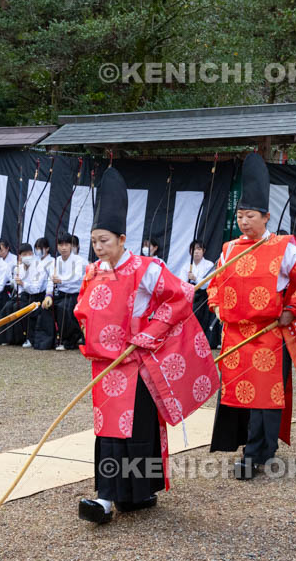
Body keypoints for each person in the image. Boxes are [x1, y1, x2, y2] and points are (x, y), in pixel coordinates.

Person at [73, 167, 218, 524]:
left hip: (135, 361)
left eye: (104, 240)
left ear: (122, 239)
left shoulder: (147, 268)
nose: (99, 247)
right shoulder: (92, 272)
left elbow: (178, 301)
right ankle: (105, 497)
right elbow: (82, 310)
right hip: (105, 365)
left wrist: (148, 334)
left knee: (137, 427)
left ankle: (138, 493)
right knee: (107, 431)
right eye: (94, 241)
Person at [207, 153, 296, 479]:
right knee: (238, 394)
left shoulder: (285, 249)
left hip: (268, 334)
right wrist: (217, 306)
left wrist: (291, 310)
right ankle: (245, 445)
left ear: (266, 216)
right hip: (236, 335)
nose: (243, 221)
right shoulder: (228, 249)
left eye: (250, 215)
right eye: (240, 215)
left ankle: (257, 454)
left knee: (265, 397)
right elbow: (214, 285)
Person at [3, 242, 54, 349]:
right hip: (26, 295)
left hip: (38, 296)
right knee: (10, 306)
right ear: (20, 257)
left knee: (23, 308)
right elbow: (19, 288)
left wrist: (22, 283)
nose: (27, 256)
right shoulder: (19, 268)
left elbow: (36, 288)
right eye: (24, 254)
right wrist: (17, 283)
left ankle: (29, 338)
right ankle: (14, 338)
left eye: (29, 254)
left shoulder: (39, 267)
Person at [42, 234, 87, 350]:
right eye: (60, 245)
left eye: (66, 244)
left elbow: (76, 277)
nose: (63, 248)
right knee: (46, 307)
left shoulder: (79, 261)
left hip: (75, 295)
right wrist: (48, 295)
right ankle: (48, 340)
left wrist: (62, 280)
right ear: (57, 246)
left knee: (63, 308)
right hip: (60, 294)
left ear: (71, 246)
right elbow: (50, 280)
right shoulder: (55, 261)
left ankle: (68, 341)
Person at [174, 240, 217, 346]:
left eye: (199, 249)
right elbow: (182, 283)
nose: (196, 252)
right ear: (190, 251)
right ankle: (188, 340)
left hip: (204, 296)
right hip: (191, 296)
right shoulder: (186, 266)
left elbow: (208, 283)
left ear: (204, 251)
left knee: (203, 321)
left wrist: (195, 278)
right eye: (194, 249)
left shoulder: (209, 265)